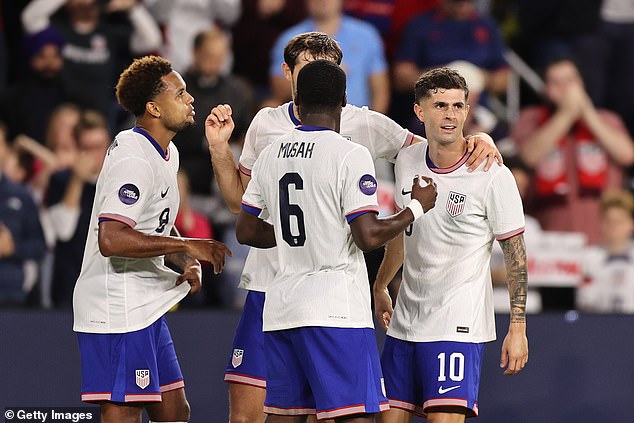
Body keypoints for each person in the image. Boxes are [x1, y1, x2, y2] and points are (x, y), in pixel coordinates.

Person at [205, 31, 502, 423]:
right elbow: (241, 202)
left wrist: (474, 138)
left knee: (289, 412)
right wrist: (218, 150)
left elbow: (431, 147)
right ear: (288, 73)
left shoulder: (360, 126)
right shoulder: (274, 127)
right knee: (290, 415)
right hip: (293, 290)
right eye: (311, 66)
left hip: (286, 297)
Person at [233, 58, 437, 422]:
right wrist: (415, 210)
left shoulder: (270, 154)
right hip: (335, 309)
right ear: (344, 99)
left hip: (282, 309)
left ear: (297, 102)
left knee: (284, 416)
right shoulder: (349, 154)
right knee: (353, 415)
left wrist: (296, 232)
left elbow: (245, 231)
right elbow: (368, 235)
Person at [72, 55, 231, 423]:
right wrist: (186, 245)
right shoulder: (133, 157)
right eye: (181, 93)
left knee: (175, 411)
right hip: (116, 307)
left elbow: (156, 225)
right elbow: (111, 239)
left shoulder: (168, 152)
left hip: (145, 303)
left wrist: (184, 259)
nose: (190, 99)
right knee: (124, 413)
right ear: (154, 107)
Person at [373, 67, 529, 422]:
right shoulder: (407, 159)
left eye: (459, 106)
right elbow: (403, 228)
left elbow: (516, 256)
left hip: (455, 326)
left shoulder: (491, 173)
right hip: (404, 324)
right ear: (419, 112)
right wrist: (381, 283)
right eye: (440, 105)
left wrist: (517, 328)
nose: (451, 115)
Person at [512, 57, 634, 245]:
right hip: (551, 239)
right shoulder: (531, 118)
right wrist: (566, 114)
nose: (564, 88)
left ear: (581, 83)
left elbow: (627, 154)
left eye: (570, 81)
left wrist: (587, 114)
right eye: (555, 82)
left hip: (602, 236)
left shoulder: (607, 119)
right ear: (546, 88)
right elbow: (528, 157)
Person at [21, 0, 162, 117]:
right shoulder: (58, 31)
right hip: (60, 114)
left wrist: (132, 8)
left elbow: (151, 40)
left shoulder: (110, 33)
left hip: (99, 117)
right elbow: (30, 18)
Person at [269, 0, 390, 113]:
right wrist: (318, 72)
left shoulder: (366, 35)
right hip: (305, 122)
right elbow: (279, 90)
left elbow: (380, 91)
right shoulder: (290, 38)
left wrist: (372, 126)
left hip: (356, 122)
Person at [45, 110, 111, 308]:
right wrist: (77, 180)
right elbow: (63, 231)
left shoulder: (117, 182)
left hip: (108, 283)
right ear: (76, 148)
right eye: (87, 148)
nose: (95, 155)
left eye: (99, 146)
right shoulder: (60, 180)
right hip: (71, 283)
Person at [0, 121, 47, 305]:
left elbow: (39, 246)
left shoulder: (21, 195)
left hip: (9, 294)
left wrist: (13, 248)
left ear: (6, 150)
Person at [577, 189, 634, 313]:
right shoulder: (588, 258)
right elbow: (585, 301)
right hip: (600, 323)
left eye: (619, 222)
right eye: (609, 221)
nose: (614, 227)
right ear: (601, 223)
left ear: (631, 224)